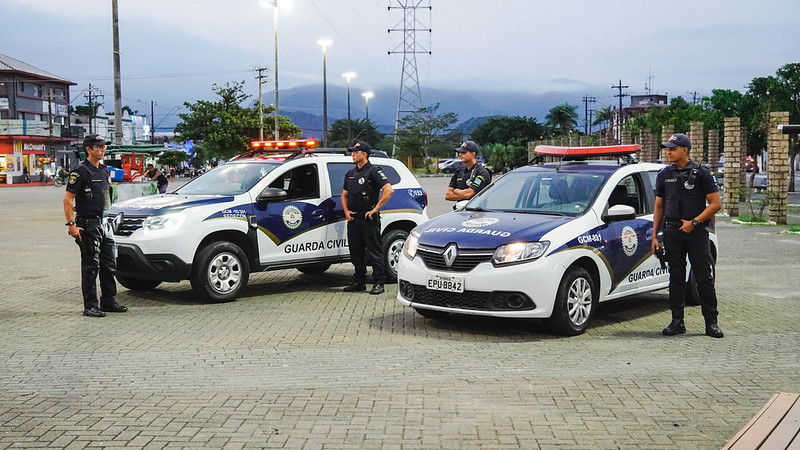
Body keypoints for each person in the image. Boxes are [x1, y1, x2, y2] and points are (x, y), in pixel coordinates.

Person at [652, 133, 722, 338]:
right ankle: (677, 322)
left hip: (696, 232)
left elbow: (716, 204)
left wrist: (694, 222)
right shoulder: (664, 174)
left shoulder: (702, 173)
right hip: (673, 232)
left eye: (673, 148)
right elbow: (659, 206)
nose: (669, 152)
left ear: (685, 150)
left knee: (703, 278)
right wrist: (655, 235)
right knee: (675, 278)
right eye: (667, 148)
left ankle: (711, 323)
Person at [63, 134, 127, 318]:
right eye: (98, 146)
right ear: (88, 149)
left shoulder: (104, 171)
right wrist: (71, 225)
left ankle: (109, 300)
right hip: (88, 225)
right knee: (91, 266)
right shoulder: (80, 171)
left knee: (109, 265)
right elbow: (67, 200)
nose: (103, 149)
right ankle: (90, 305)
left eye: (104, 146)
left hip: (105, 224)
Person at [341, 141, 394, 295]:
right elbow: (344, 195)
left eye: (355, 152)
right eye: (352, 152)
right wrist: (346, 211)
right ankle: (359, 281)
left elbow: (388, 190)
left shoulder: (373, 171)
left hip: (368, 217)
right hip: (354, 218)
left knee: (374, 251)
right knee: (355, 251)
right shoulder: (350, 174)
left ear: (364, 154)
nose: (352, 155)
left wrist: (376, 208)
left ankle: (379, 282)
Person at [445, 141, 492, 205]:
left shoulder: (482, 172)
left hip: (477, 212)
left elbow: (469, 194)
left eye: (463, 152)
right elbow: (448, 195)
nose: (460, 155)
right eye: (459, 152)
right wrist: (465, 194)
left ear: (473, 154)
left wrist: (456, 191)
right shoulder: (459, 172)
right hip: (460, 211)